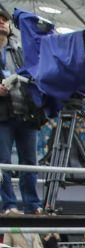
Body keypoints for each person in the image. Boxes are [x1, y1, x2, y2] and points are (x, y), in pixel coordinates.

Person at [0, 9, 39, 213]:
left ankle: (32, 204)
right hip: (2, 116)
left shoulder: (19, 51)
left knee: (30, 163)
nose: (2, 23)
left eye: (5, 20)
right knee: (3, 162)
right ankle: (10, 205)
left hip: (25, 113)